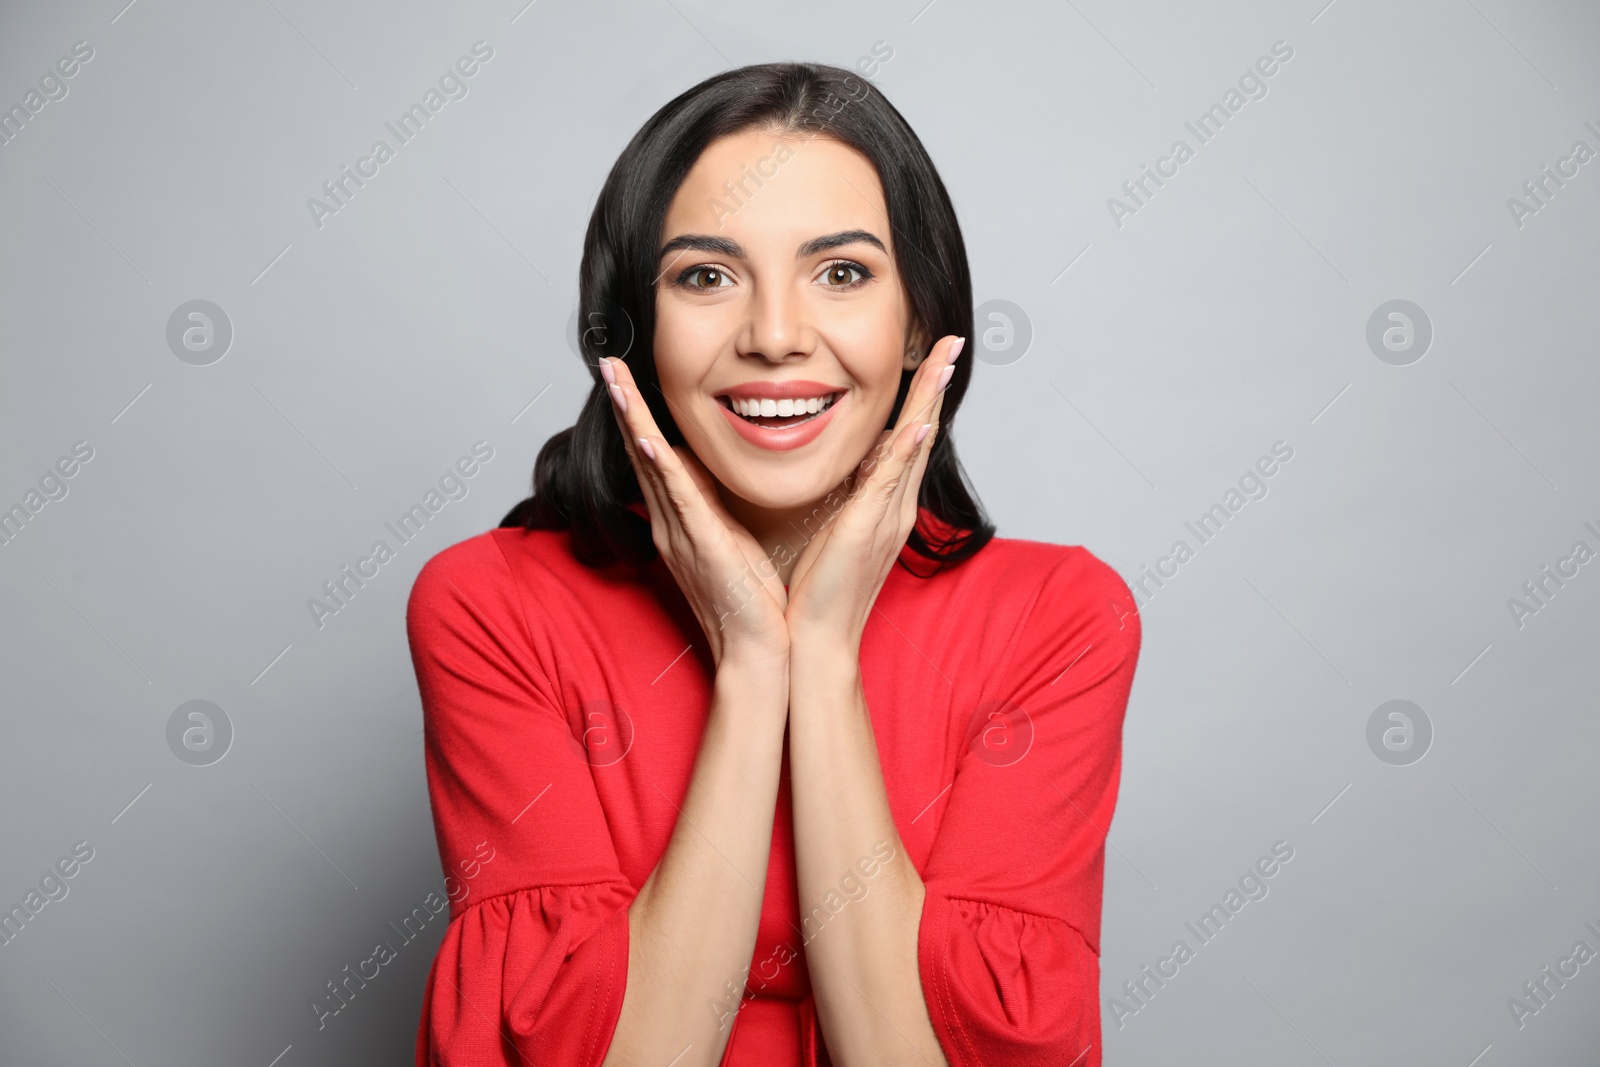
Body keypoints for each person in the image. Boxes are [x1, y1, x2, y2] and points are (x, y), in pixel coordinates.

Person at [405, 60, 1141, 1067]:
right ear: (631, 330)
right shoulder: (492, 605)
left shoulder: (1058, 617)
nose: (776, 338)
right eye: (705, 276)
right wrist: (755, 663)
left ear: (920, 320)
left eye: (841, 272)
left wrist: (825, 653)